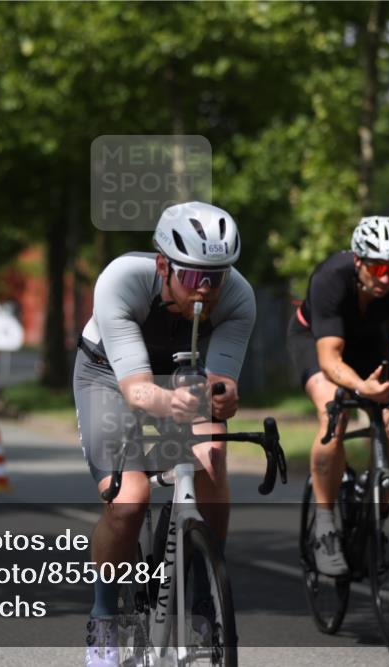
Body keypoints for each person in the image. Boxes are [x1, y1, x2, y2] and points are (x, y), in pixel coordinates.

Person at [75, 202, 255, 666]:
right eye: (195, 278)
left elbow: (221, 380)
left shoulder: (239, 298)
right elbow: (136, 390)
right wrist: (170, 399)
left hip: (183, 375)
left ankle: (204, 603)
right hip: (108, 377)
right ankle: (103, 617)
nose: (207, 292)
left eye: (217, 278)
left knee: (212, 461)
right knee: (129, 501)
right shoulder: (120, 280)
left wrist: (224, 397)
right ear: (162, 265)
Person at [286, 216, 389, 576]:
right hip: (318, 342)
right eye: (377, 267)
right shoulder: (330, 279)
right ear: (359, 261)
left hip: (370, 344)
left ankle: (378, 509)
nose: (385, 278)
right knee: (335, 413)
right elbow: (330, 358)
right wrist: (363, 389)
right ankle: (325, 523)